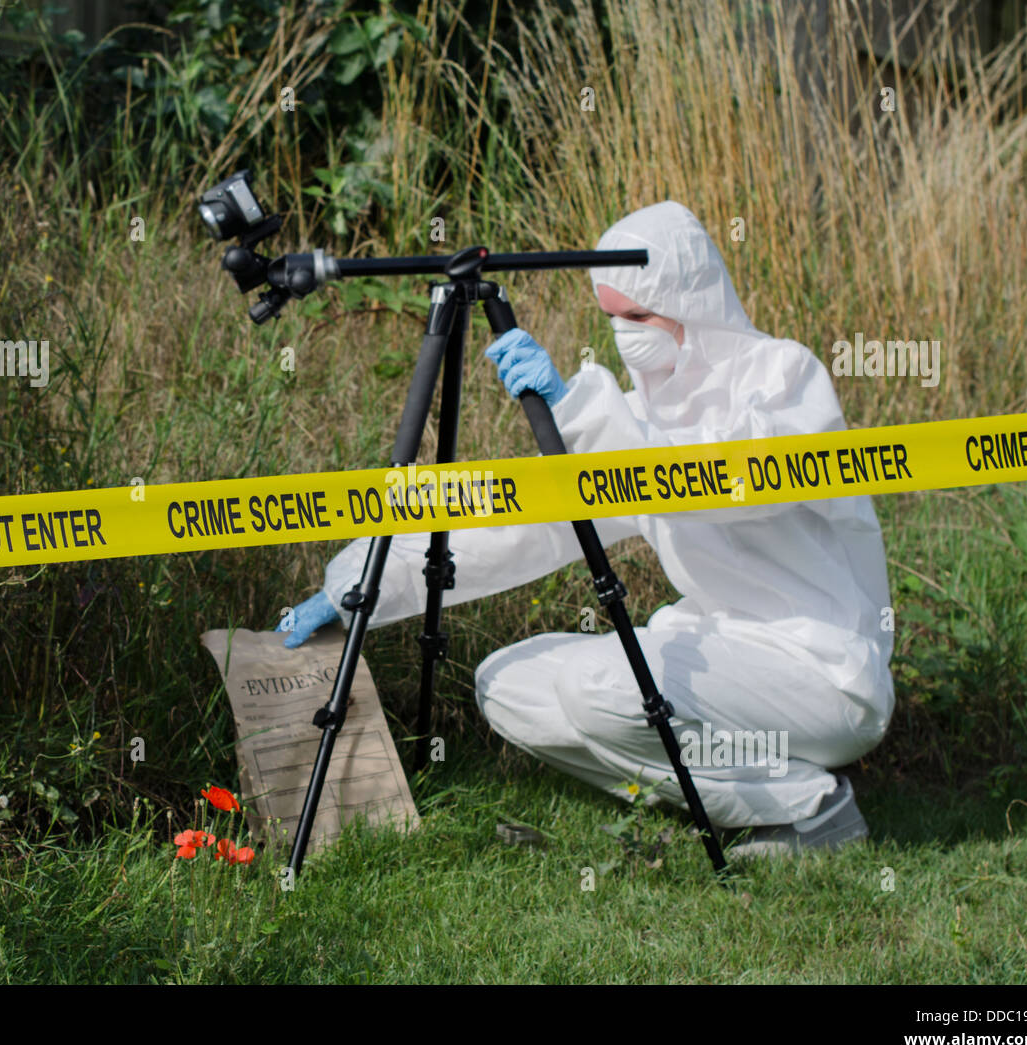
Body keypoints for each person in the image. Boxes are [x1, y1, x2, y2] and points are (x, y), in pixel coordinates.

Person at [278, 201, 894, 858]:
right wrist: (357, 587)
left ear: (692, 302)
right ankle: (743, 799)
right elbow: (527, 529)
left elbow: (732, 487)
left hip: (824, 672)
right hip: (723, 653)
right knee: (510, 685)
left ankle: (816, 814)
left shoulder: (782, 377)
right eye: (611, 318)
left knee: (601, 688)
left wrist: (581, 417)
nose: (626, 335)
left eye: (640, 317)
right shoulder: (632, 421)